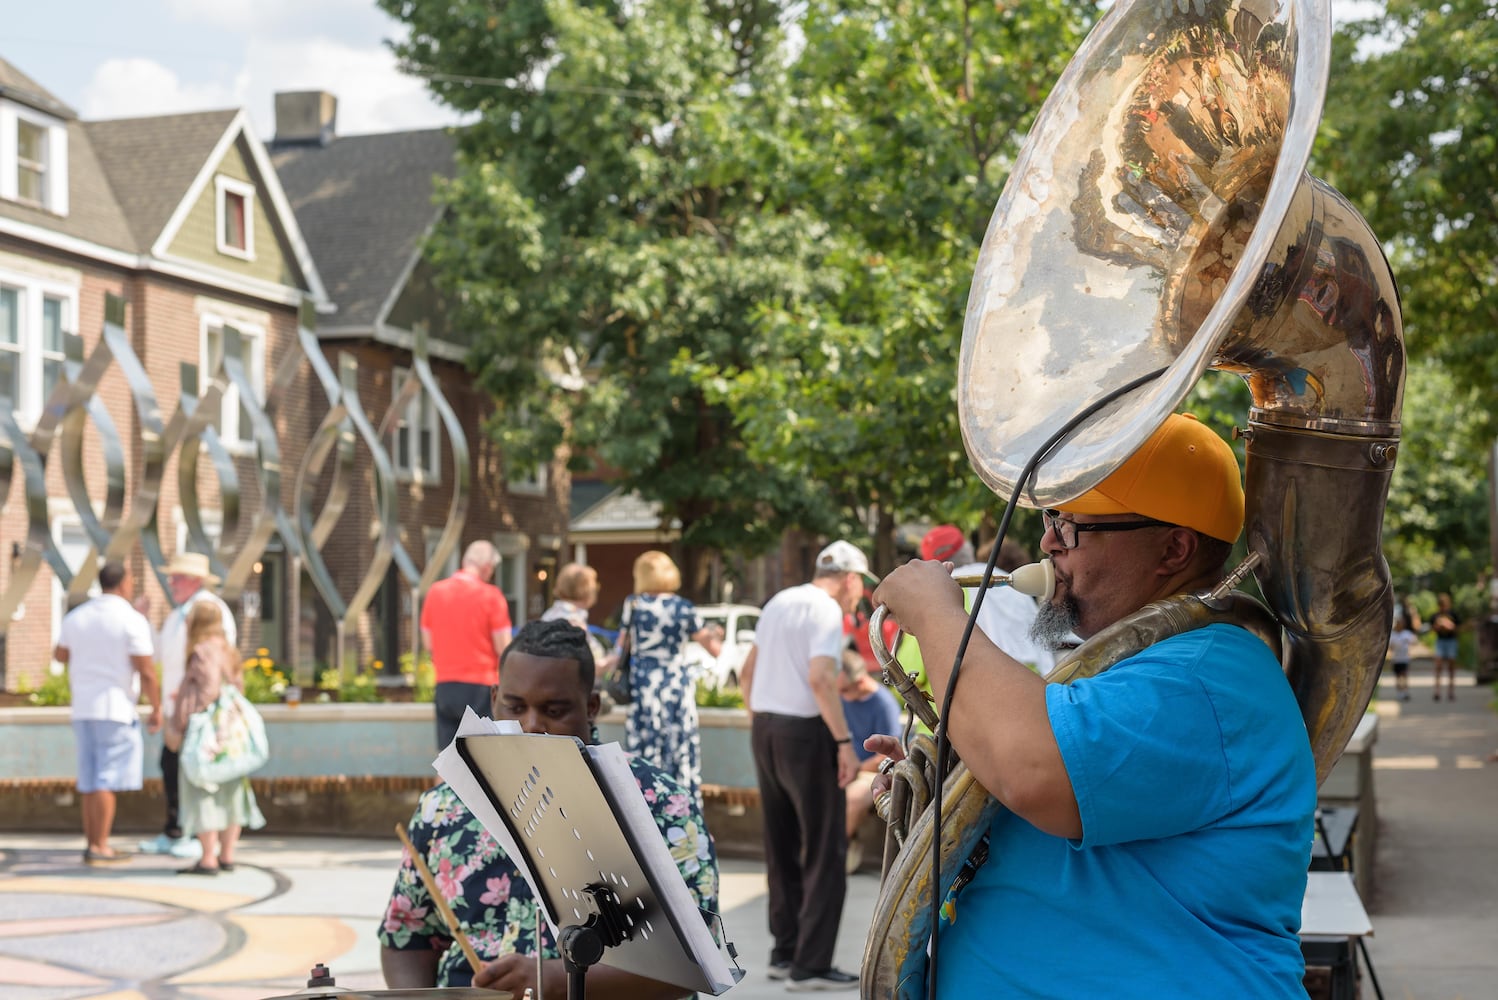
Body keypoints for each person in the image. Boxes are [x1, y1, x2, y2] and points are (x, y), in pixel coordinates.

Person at [871, 413, 1316, 997]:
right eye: (1052, 519)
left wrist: (935, 614)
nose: (1049, 542)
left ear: (1173, 548)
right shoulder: (1136, 666)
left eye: (1077, 525)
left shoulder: (1205, 675)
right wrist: (943, 778)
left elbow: (1034, 770)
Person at [377, 619, 720, 995]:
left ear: (591, 707)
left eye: (554, 711)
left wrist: (553, 980)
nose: (530, 725)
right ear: (494, 700)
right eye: (515, 707)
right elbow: (407, 940)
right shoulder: (443, 810)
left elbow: (695, 963)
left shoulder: (662, 805)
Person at [738, 539, 872, 991]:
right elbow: (820, 679)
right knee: (823, 849)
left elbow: (746, 674)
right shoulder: (827, 611)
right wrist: (844, 743)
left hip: (766, 729)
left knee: (780, 844)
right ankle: (811, 965)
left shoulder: (779, 600)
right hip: (806, 733)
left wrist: (763, 721)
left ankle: (784, 951)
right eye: (860, 586)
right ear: (850, 578)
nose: (860, 597)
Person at [55, 562, 160, 865]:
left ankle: (92, 843)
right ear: (124, 583)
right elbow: (147, 670)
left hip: (83, 707)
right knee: (105, 780)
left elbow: (60, 654)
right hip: (115, 707)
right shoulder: (131, 619)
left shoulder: (77, 616)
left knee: (89, 780)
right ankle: (100, 846)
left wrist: (89, 654)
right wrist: (157, 708)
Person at [139, 551, 236, 859]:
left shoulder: (209, 610)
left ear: (195, 580)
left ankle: (191, 835)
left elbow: (217, 665)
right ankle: (177, 830)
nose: (171, 582)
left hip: (197, 713)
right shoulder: (178, 613)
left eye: (177, 577)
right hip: (179, 710)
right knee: (171, 768)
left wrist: (190, 702)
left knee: (191, 773)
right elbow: (159, 655)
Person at [167, 601, 266, 875]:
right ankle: (228, 855)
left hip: (209, 735)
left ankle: (208, 857)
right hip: (232, 735)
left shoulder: (201, 651)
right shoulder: (228, 650)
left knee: (203, 791)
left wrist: (184, 718)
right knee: (232, 791)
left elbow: (208, 688)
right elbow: (238, 687)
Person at [618, 550, 721, 807]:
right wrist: (716, 633)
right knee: (678, 743)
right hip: (675, 685)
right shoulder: (683, 608)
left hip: (644, 686)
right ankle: (681, 803)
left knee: (645, 744)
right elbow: (714, 648)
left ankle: (645, 802)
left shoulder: (634, 604)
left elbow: (620, 647)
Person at [421, 540, 513, 751]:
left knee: (447, 761)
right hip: (481, 688)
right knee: (484, 760)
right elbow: (504, 649)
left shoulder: (435, 592)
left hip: (445, 686)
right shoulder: (491, 596)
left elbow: (428, 643)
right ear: (488, 567)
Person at [837, 650, 901, 873]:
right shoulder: (843, 698)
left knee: (853, 799)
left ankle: (839, 849)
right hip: (848, 767)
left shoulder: (883, 703)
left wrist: (858, 767)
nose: (841, 695)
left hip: (870, 770)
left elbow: (888, 752)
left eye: (844, 690)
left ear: (861, 681)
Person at [540, 561, 611, 669]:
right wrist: (615, 658)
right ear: (585, 590)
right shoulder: (574, 622)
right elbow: (591, 667)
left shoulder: (549, 614)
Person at [1430, 592, 1461, 701]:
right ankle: (1437, 691)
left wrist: (1449, 626)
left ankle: (1451, 691)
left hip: (1451, 641)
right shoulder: (1435, 616)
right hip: (1440, 641)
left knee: (1451, 666)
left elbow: (1458, 629)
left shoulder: (1453, 615)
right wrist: (1438, 625)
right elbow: (1432, 629)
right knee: (1438, 665)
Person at [1388, 615, 1417, 702]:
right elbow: (1390, 647)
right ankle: (1399, 693)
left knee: (1404, 676)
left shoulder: (1407, 634)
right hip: (1396, 659)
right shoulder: (1393, 635)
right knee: (1398, 677)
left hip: (1404, 659)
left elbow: (1414, 642)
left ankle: (1405, 692)